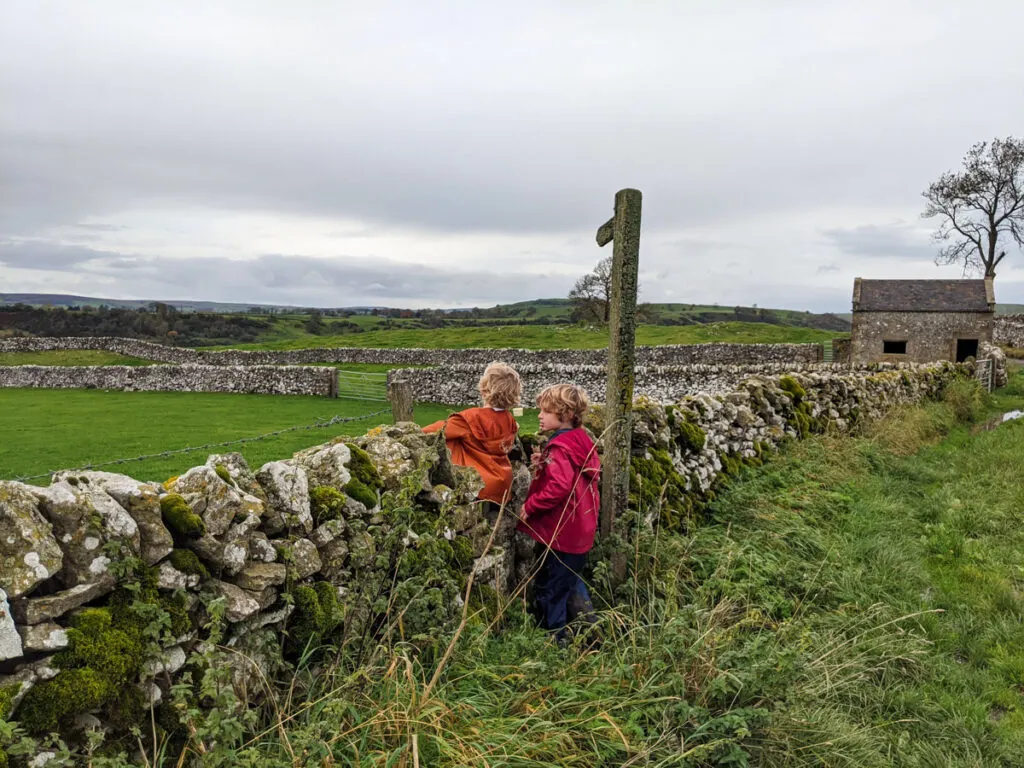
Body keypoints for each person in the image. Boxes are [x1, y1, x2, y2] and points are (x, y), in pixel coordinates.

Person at [518, 383, 600, 641]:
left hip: (564, 530)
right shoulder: (581, 440)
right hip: (582, 528)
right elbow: (574, 474)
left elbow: (559, 487)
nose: (540, 415)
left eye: (545, 411)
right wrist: (543, 464)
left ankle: (556, 640)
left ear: (564, 415)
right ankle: (591, 630)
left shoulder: (559, 447)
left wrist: (529, 507)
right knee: (571, 580)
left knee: (551, 587)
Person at [423, 362, 521, 506]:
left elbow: (436, 431)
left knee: (450, 439)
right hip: (502, 483)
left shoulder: (471, 418)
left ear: (484, 390)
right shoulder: (510, 420)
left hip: (479, 484)